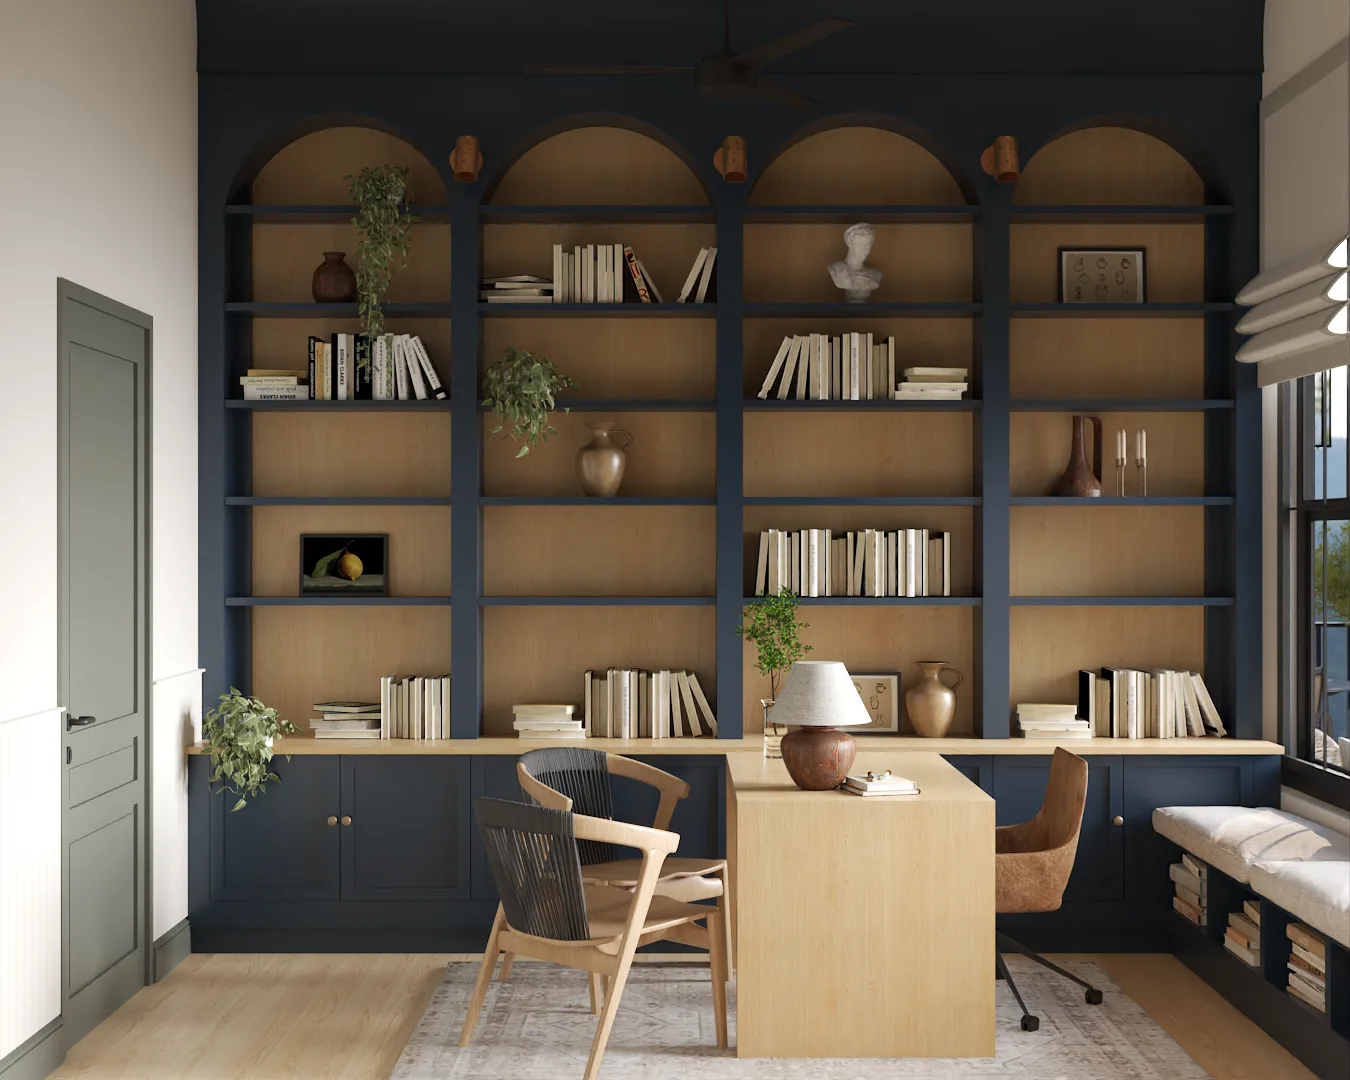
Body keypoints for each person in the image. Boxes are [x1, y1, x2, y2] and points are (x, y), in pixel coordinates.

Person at [828, 222, 882, 302]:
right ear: (850, 242)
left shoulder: (875, 274)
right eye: (862, 245)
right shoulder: (837, 269)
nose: (866, 250)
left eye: (869, 245)